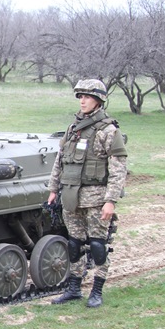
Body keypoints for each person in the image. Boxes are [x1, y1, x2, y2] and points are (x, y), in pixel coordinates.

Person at [47, 79, 128, 308]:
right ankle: (74, 289)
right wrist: (53, 189)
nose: (82, 101)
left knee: (98, 246)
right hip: (71, 197)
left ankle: (97, 291)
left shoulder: (108, 131)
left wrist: (110, 200)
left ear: (99, 101)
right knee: (74, 245)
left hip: (96, 198)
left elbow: (118, 169)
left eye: (87, 97)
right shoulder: (73, 129)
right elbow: (60, 161)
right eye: (80, 97)